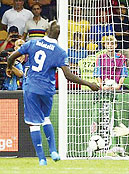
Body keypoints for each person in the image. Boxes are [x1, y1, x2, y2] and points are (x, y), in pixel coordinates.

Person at [6, 21, 100, 165]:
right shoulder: (60, 52)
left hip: (31, 87)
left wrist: (9, 66)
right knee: (45, 118)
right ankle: (54, 150)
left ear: (45, 31)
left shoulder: (32, 43)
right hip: (47, 89)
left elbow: (11, 57)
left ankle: (42, 159)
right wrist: (90, 84)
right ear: (58, 35)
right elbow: (69, 76)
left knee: (34, 124)